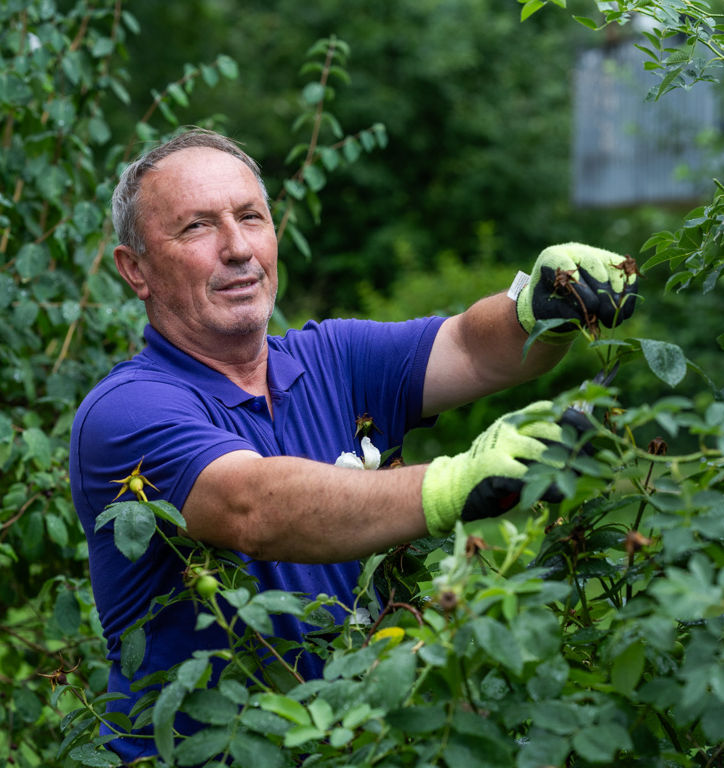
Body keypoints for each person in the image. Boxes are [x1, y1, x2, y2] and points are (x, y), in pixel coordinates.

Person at [69, 128, 638, 762]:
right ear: (135, 269)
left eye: (251, 217)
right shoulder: (125, 411)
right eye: (197, 228)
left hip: (341, 747)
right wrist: (455, 482)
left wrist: (537, 304)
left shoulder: (333, 359)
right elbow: (253, 507)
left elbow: (475, 347)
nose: (237, 248)